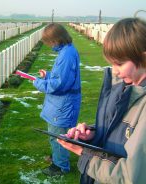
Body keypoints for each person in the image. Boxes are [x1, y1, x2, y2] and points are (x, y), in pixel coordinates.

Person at [58, 17, 146, 183]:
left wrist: (84, 153)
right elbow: (122, 132)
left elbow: (131, 177)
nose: (115, 71)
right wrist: (93, 134)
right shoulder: (125, 87)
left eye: (119, 63)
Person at [33, 23, 81, 176]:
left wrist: (38, 83)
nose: (49, 45)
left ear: (56, 40)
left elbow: (59, 85)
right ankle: (58, 158)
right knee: (55, 133)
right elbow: (62, 77)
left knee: (58, 135)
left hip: (63, 104)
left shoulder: (67, 55)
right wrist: (47, 75)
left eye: (50, 42)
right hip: (60, 103)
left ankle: (60, 167)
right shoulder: (67, 51)